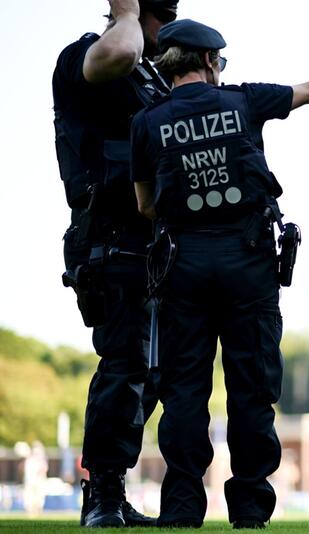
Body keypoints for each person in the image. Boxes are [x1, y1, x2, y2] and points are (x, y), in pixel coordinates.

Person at [129, 19, 309, 528]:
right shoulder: (244, 101)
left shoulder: (147, 122)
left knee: (184, 391)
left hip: (183, 269)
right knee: (252, 388)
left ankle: (182, 509)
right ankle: (251, 510)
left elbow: (146, 204)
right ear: (210, 61)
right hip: (248, 263)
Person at [52, 0, 179, 527]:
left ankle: (114, 490)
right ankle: (100, 498)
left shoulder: (150, 77)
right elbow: (122, 49)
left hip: (154, 245)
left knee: (151, 374)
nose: (167, 26)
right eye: (162, 14)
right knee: (125, 366)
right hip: (110, 239)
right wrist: (126, 10)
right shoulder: (89, 56)